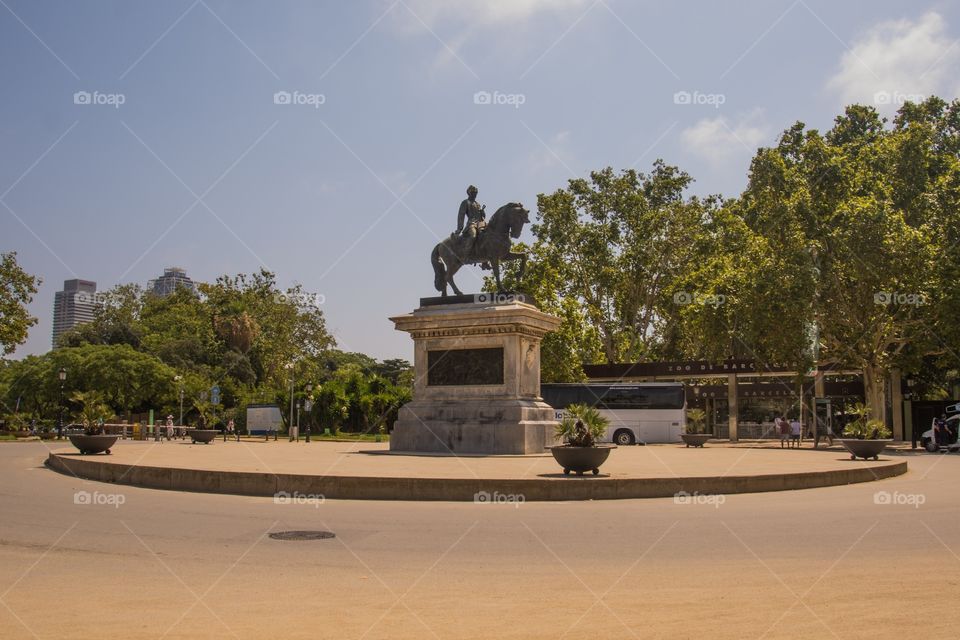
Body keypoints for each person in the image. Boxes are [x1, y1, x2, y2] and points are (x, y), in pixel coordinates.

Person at [455, 185, 487, 264]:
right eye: (473, 192)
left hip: (481, 223)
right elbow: (461, 215)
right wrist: (459, 229)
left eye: (476, 193)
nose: (475, 194)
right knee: (473, 236)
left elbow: (482, 216)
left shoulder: (478, 204)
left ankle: (485, 261)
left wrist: (482, 212)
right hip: (472, 223)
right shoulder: (465, 202)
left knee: (489, 235)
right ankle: (465, 256)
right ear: (469, 193)